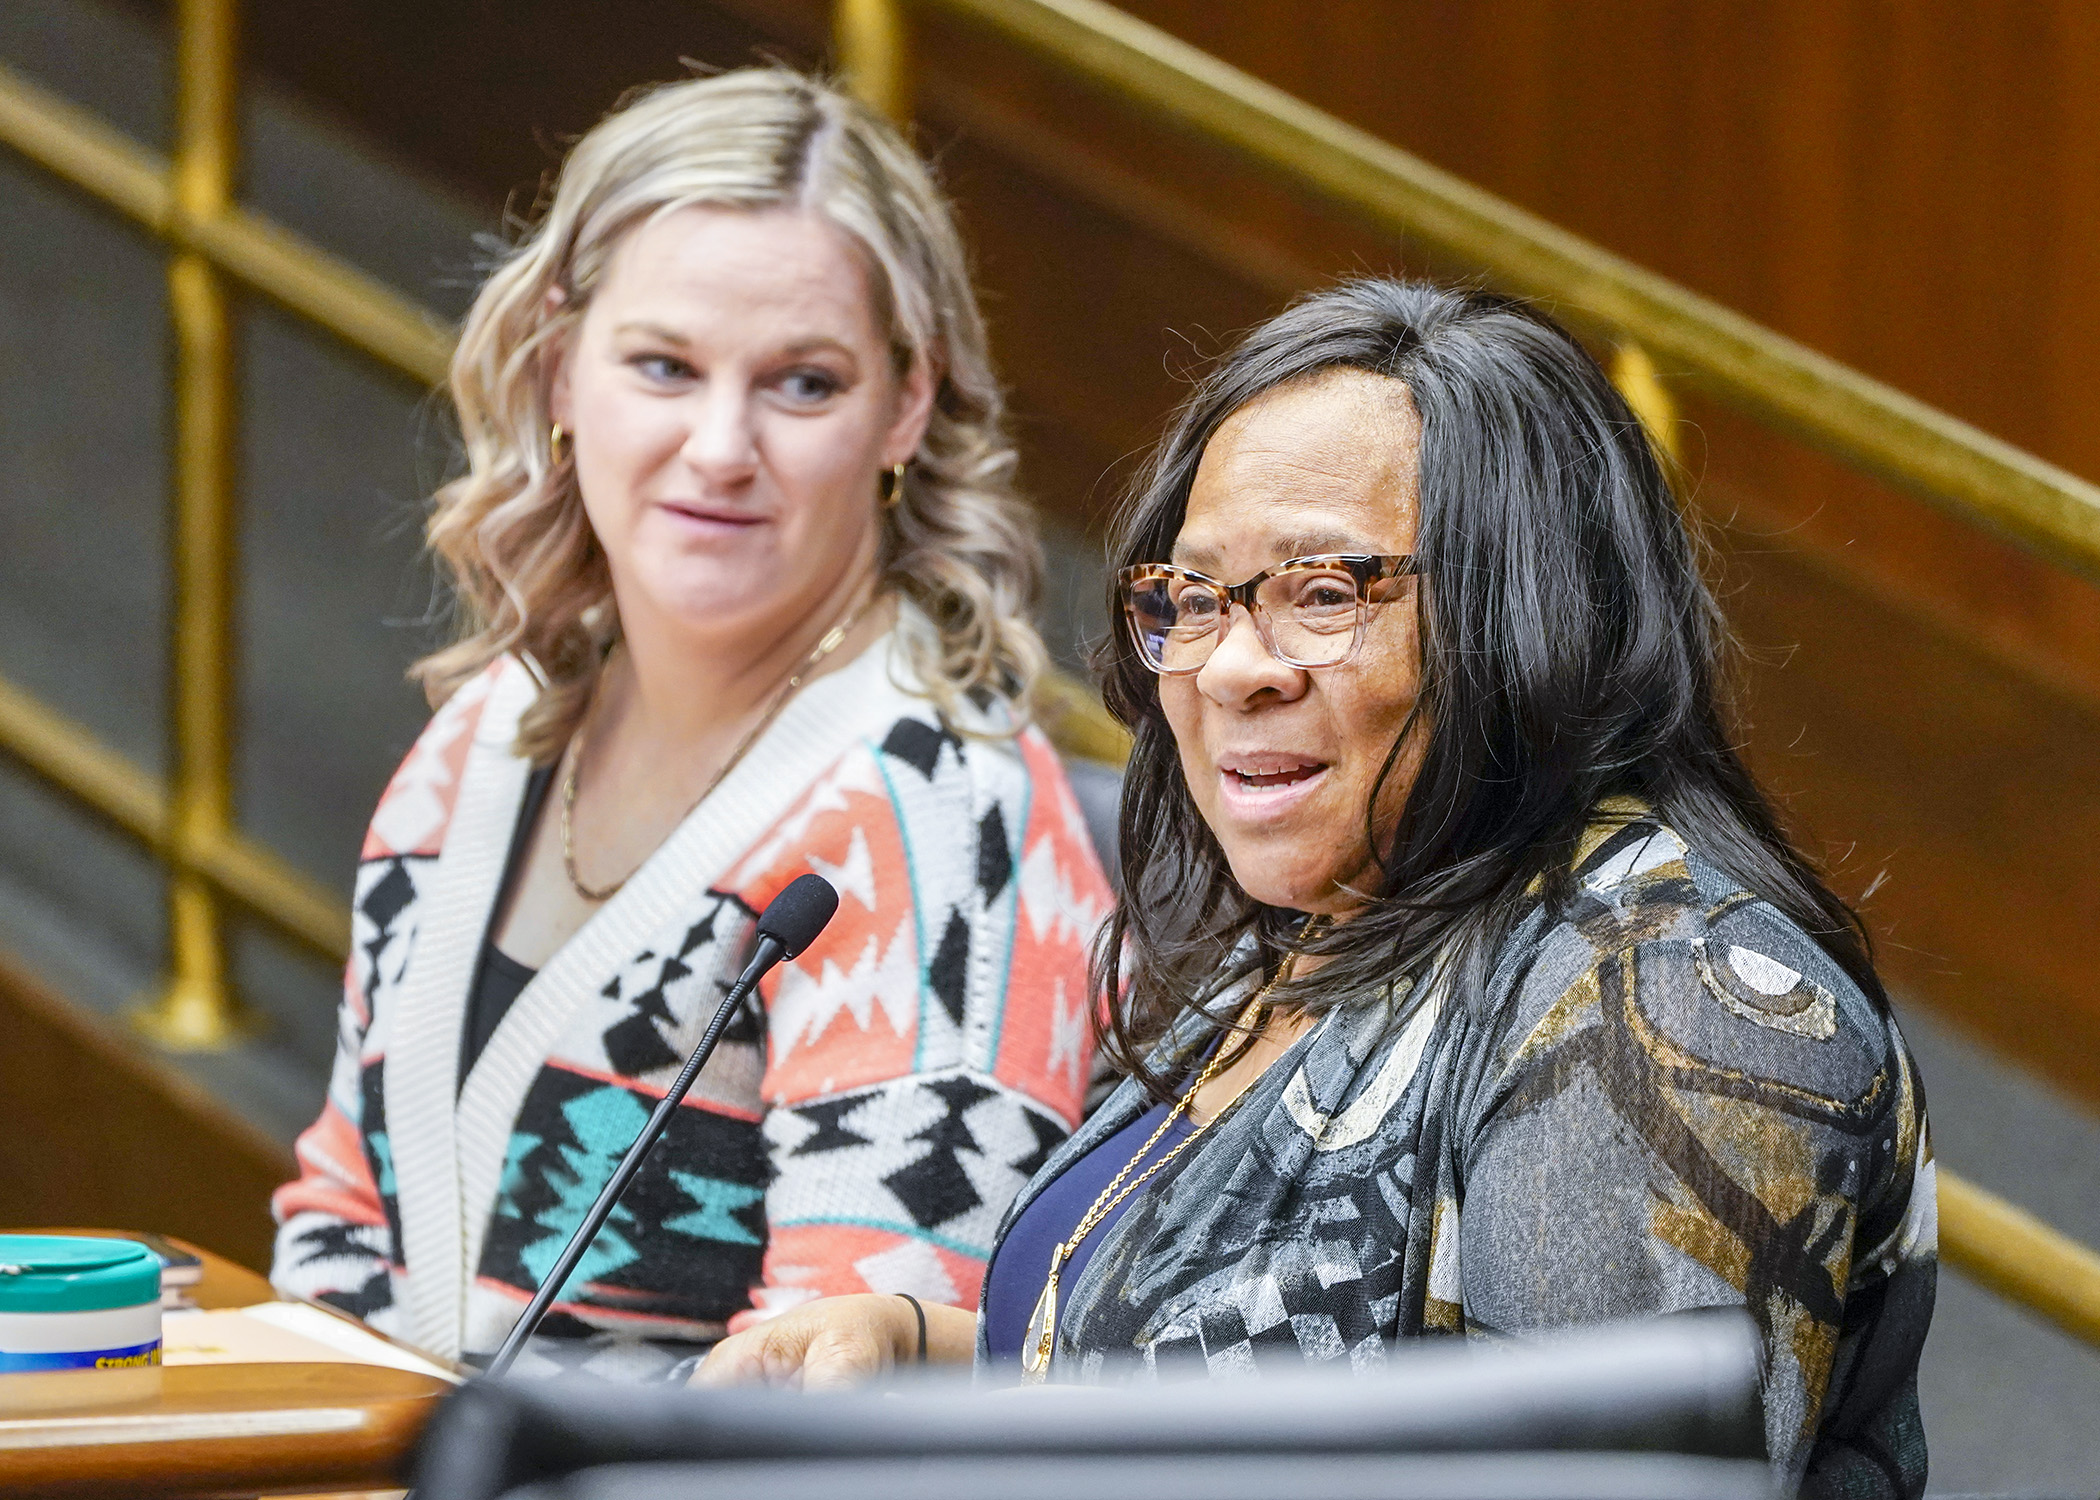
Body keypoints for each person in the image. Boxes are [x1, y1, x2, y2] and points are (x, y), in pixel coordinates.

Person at [695, 279, 1936, 1499]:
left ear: (1529, 617)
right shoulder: (1331, 926)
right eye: (1192, 599)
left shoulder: (1653, 1006)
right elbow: (1249, 1395)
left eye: (1326, 593)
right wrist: (921, 1356)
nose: (1231, 667)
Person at [268, 69, 1112, 1380]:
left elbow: (832, 1416)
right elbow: (342, 1210)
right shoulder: (487, 735)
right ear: (557, 373)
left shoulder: (932, 818)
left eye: (803, 385)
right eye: (663, 365)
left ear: (906, 407)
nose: (721, 446)